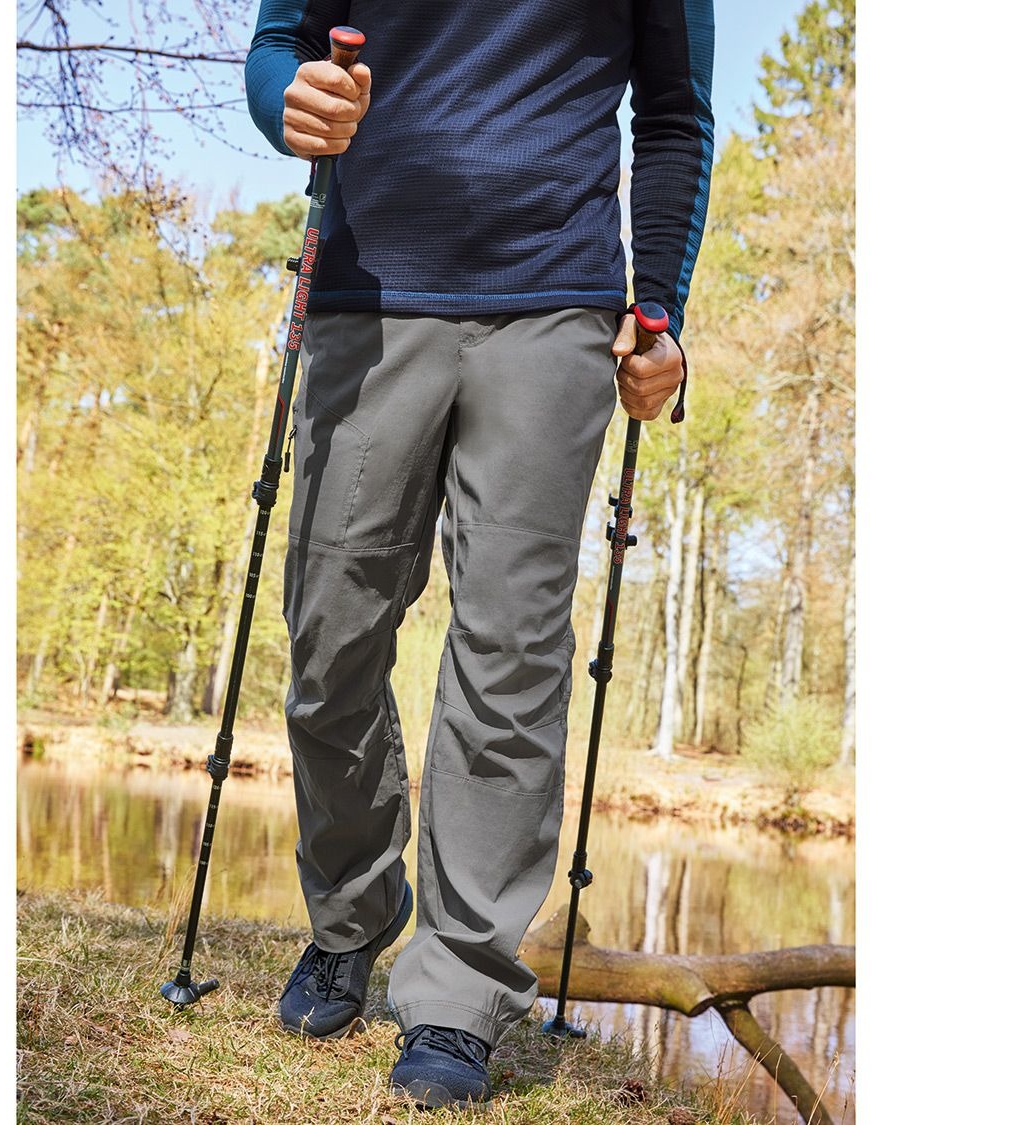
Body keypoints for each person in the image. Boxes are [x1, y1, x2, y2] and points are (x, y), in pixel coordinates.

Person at [243, 0, 714, 1109]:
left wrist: (660, 310)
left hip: (555, 306)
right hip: (368, 293)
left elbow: (674, 115)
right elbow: (280, 44)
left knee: (512, 650)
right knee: (329, 633)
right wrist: (287, 104)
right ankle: (353, 913)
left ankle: (458, 987)